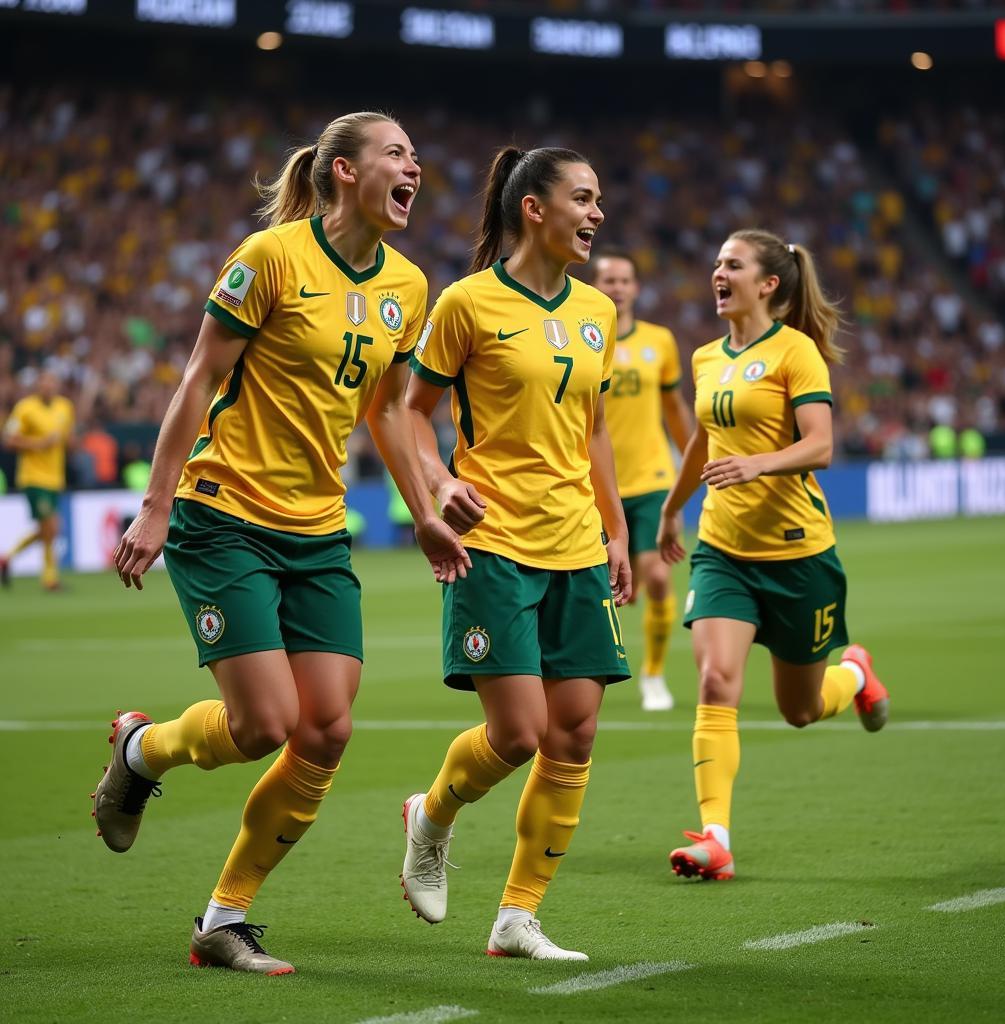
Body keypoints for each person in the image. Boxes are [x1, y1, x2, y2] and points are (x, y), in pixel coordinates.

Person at [92, 111, 470, 975]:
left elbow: (386, 412)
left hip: (315, 530)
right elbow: (199, 379)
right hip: (223, 514)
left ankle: (224, 919)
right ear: (344, 171)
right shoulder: (269, 259)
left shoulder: (409, 287)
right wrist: (155, 506)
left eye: (416, 154)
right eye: (396, 152)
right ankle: (141, 750)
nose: (414, 165)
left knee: (326, 730)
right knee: (266, 725)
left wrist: (423, 506)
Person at [400, 146, 632, 961]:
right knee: (521, 733)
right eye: (583, 196)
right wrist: (437, 483)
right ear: (533, 208)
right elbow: (409, 411)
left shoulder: (599, 310)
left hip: (576, 544)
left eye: (599, 198)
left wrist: (618, 527)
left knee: (576, 733)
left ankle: (517, 918)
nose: (597, 213)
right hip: (493, 543)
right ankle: (430, 815)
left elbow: (595, 428)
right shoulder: (466, 303)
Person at [656, 229, 890, 882]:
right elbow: (702, 446)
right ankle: (716, 837)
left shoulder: (796, 353)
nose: (717, 272)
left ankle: (856, 675)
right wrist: (673, 510)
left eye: (732, 263)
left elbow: (820, 446)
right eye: (715, 263)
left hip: (799, 558)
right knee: (714, 680)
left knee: (801, 709)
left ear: (768, 284)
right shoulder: (705, 357)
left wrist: (759, 464)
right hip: (724, 552)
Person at [592, 250, 691, 711]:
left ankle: (653, 674)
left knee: (657, 575)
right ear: (597, 285)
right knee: (597, 588)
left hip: (653, 477)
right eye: (609, 279)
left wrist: (695, 459)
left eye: (625, 279)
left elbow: (674, 408)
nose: (617, 286)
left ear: (635, 288)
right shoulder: (585, 336)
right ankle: (591, 672)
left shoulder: (660, 341)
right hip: (597, 482)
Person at [0, 369, 74, 590]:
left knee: (48, 529)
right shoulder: (25, 408)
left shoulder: (65, 407)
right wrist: (38, 444)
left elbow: (67, 439)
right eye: (45, 382)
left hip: (55, 479)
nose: (48, 387)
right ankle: (50, 579)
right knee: (51, 526)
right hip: (33, 478)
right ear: (38, 385)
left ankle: (6, 558)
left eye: (52, 382)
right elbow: (8, 439)